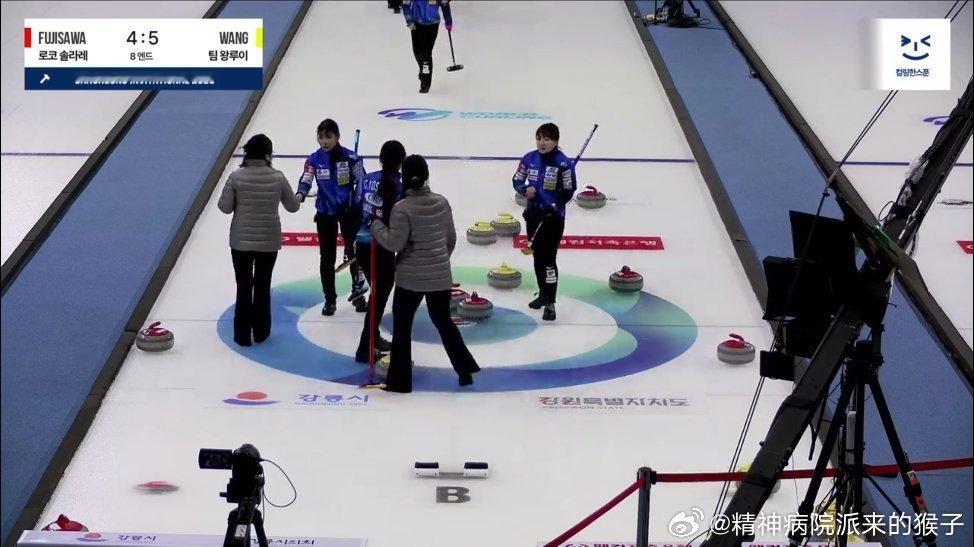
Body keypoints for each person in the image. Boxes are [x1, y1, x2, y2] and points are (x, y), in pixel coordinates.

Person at [371, 154, 479, 393]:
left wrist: (376, 225)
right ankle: (465, 370)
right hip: (440, 276)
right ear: (427, 176)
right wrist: (438, 262)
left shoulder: (401, 208)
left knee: (402, 328)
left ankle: (400, 382)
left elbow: (395, 243)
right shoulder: (442, 202)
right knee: (444, 322)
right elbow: (450, 240)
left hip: (409, 280)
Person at [218, 134, 300, 346]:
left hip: (240, 241)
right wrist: (299, 196)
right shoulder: (278, 177)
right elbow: (293, 207)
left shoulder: (236, 177)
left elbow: (224, 207)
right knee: (263, 285)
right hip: (269, 240)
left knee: (243, 285)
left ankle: (242, 335)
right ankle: (261, 332)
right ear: (268, 154)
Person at [296, 119, 367, 316]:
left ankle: (358, 295)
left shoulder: (352, 158)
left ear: (337, 137)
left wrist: (357, 200)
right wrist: (301, 193)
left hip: (349, 212)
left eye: (328, 137)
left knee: (355, 255)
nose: (324, 141)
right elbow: (307, 178)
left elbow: (362, 181)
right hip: (325, 211)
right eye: (321, 137)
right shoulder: (314, 159)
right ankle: (329, 299)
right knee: (327, 257)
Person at [512, 123, 577, 321]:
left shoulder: (563, 164)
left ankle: (550, 302)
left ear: (556, 141)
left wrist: (556, 202)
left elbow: (569, 190)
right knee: (537, 257)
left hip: (552, 218)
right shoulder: (529, 158)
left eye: (547, 139)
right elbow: (516, 180)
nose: (542, 143)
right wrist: (524, 190)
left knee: (548, 259)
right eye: (539, 138)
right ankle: (542, 294)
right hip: (533, 215)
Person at [351, 140, 407, 363]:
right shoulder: (400, 187)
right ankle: (364, 348)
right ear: (401, 162)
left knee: (377, 295)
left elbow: (356, 206)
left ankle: (372, 338)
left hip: (363, 243)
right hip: (382, 246)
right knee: (378, 299)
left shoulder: (367, 179)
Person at [402, 0, 453, 93]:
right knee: (417, 52)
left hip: (433, 25)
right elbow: (405, 5)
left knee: (426, 54)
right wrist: (409, 20)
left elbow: (445, 5)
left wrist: (448, 21)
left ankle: (425, 83)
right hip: (417, 24)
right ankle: (423, 69)